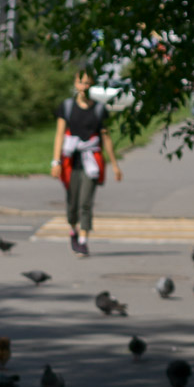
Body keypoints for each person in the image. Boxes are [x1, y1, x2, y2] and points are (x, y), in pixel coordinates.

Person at [50, 68, 122, 256]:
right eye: (80, 82)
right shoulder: (66, 107)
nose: (83, 86)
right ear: (75, 84)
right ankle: (73, 229)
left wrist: (114, 165)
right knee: (72, 203)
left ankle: (83, 240)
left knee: (85, 202)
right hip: (70, 161)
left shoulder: (98, 109)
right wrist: (55, 162)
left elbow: (106, 138)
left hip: (91, 162)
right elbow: (59, 135)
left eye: (87, 83)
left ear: (92, 85)